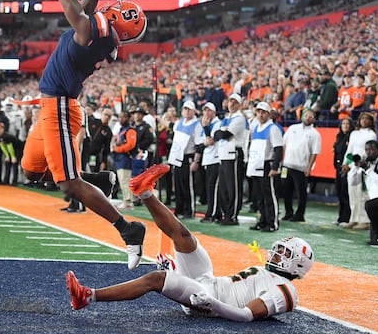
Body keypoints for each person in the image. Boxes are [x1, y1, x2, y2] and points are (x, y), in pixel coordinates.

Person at [20, 0, 147, 269]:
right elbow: (86, 10)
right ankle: (99, 181)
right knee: (31, 171)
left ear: (117, 19)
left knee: (68, 184)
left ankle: (128, 229)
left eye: (117, 10)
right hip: (52, 105)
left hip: (60, 107)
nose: (112, 8)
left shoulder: (92, 32)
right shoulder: (100, 37)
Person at [66, 163, 314, 322]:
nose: (275, 254)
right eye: (279, 249)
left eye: (284, 254)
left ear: (298, 266)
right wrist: (179, 271)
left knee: (155, 279)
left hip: (208, 302)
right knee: (185, 238)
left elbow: (246, 315)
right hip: (209, 282)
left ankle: (88, 296)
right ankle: (145, 192)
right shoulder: (265, 272)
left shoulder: (286, 292)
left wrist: (211, 302)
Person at [247, 102, 283, 232]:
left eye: (263, 112)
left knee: (269, 196)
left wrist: (274, 167)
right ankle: (263, 221)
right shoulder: (256, 128)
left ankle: (272, 223)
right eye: (259, 112)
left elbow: (278, 148)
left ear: (268, 114)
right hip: (256, 165)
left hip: (267, 164)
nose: (261, 115)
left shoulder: (272, 128)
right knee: (259, 196)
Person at [281, 109, 321, 222]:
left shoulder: (315, 134)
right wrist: (281, 161)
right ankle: (288, 212)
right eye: (306, 115)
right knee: (286, 191)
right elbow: (284, 144)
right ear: (302, 116)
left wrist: (309, 167)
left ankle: (300, 214)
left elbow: (315, 152)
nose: (308, 118)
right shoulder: (293, 128)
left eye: (310, 116)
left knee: (301, 192)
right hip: (287, 164)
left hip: (301, 166)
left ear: (314, 119)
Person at [214, 94, 247, 225]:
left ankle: (232, 215)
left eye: (235, 102)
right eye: (230, 102)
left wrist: (221, 133)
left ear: (239, 105)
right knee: (224, 187)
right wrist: (220, 133)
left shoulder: (239, 118)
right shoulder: (228, 118)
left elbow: (225, 134)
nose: (231, 104)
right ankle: (226, 214)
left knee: (233, 186)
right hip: (224, 154)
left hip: (234, 154)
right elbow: (216, 135)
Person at [340, 112, 377, 230]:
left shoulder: (371, 134)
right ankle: (353, 218)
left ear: (371, 122)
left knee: (363, 194)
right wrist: (346, 163)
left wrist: (360, 162)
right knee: (353, 193)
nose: (364, 121)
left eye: (367, 119)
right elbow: (350, 148)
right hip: (352, 166)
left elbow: (368, 151)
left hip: (363, 166)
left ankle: (365, 220)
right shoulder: (354, 133)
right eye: (362, 118)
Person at [168, 100, 201, 219]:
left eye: (189, 109)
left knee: (187, 185)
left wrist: (196, 161)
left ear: (193, 111)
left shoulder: (196, 124)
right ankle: (179, 208)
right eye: (185, 109)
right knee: (178, 185)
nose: (187, 111)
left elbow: (199, 144)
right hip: (177, 157)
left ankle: (189, 211)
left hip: (188, 157)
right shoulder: (179, 123)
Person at [194, 102, 221, 223]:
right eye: (205, 111)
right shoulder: (205, 125)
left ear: (214, 112)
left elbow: (210, 140)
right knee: (209, 187)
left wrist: (205, 127)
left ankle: (213, 213)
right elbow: (200, 145)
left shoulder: (217, 123)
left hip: (215, 158)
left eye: (209, 110)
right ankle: (212, 212)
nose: (206, 113)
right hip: (207, 159)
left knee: (213, 188)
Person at [333, 117, 353, 224]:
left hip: (347, 170)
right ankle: (341, 217)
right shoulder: (339, 137)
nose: (345, 125)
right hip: (339, 169)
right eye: (343, 123)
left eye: (347, 123)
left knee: (346, 195)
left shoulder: (352, 137)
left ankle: (347, 217)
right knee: (340, 194)